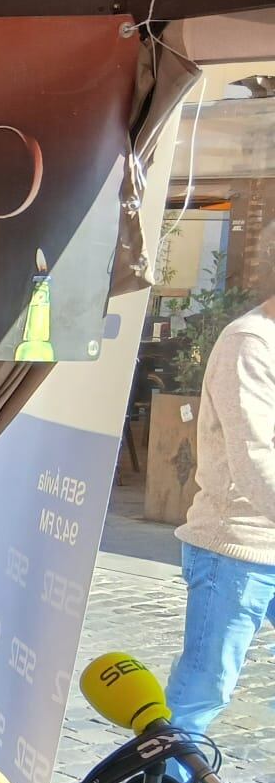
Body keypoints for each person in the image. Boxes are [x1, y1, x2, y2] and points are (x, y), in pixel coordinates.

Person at [166, 294, 275, 733]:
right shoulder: (250, 342)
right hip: (237, 548)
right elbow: (254, 461)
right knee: (203, 689)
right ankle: (165, 776)